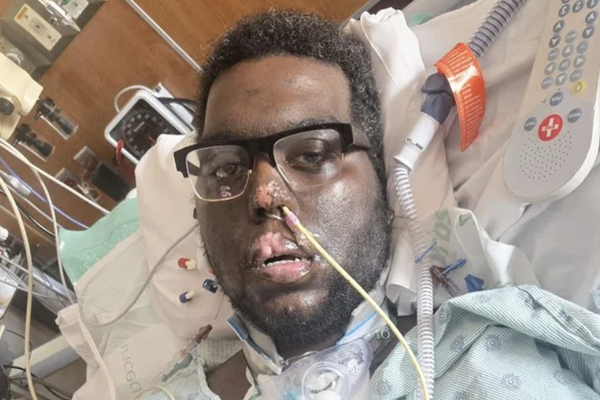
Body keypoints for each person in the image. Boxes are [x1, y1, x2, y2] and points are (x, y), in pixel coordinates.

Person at [138, 10, 600, 400]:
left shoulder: (488, 358)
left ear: (380, 179)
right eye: (225, 167)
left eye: (311, 155)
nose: (264, 194)